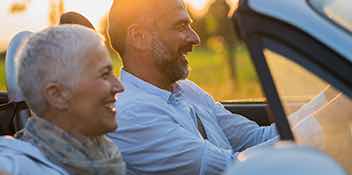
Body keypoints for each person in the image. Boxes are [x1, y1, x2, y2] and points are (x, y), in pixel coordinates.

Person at [107, 0, 278, 174]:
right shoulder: (133, 114)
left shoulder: (186, 89)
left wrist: (308, 113)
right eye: (181, 26)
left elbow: (256, 138)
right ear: (139, 37)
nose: (195, 38)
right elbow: (233, 169)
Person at [0, 25, 126, 175]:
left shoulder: (104, 153)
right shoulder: (19, 165)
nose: (119, 86)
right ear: (57, 95)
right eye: (104, 74)